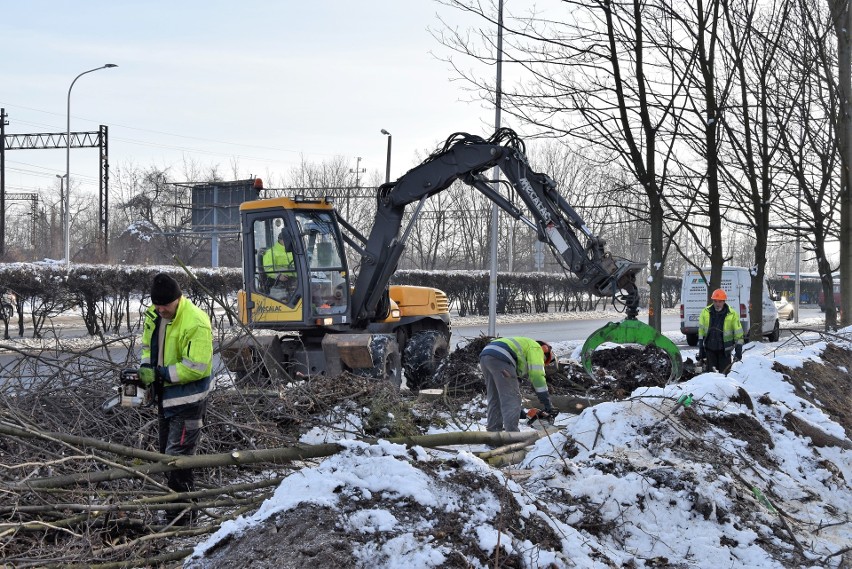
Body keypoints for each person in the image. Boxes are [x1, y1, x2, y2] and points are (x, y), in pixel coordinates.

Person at [138, 273, 213, 524]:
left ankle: (182, 519)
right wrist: (145, 372)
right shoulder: (155, 315)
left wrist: (159, 374)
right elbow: (148, 347)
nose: (161, 310)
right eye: (157, 305)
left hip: (188, 402)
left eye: (165, 305)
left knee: (178, 462)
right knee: (166, 458)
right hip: (166, 399)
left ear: (178, 299)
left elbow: (196, 367)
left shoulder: (195, 323)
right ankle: (174, 512)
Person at [479, 337, 558, 432]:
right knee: (512, 398)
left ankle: (493, 436)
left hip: (486, 356)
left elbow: (512, 387)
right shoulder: (537, 348)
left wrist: (519, 411)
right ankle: (513, 437)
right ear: (545, 352)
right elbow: (537, 376)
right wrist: (547, 402)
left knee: (495, 398)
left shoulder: (523, 349)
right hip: (502, 357)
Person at [697, 288, 744, 373]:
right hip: (710, 350)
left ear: (724, 301)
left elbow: (738, 334)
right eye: (715, 301)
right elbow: (701, 331)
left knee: (724, 376)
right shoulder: (705, 312)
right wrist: (701, 347)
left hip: (725, 351)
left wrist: (738, 350)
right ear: (713, 301)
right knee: (711, 376)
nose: (717, 304)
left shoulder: (732, 314)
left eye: (720, 301)